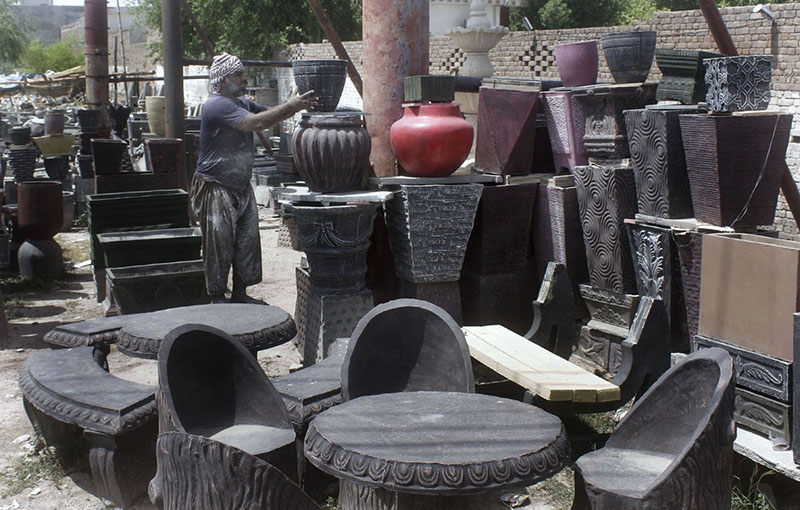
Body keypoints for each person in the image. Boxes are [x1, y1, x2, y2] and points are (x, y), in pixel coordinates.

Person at [192, 52, 317, 304]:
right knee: (220, 244)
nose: (245, 78)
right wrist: (292, 106)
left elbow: (269, 113)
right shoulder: (217, 105)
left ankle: (240, 294)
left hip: (239, 184)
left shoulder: (241, 103)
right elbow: (256, 123)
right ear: (224, 81)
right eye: (239, 74)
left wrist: (292, 104)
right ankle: (217, 297)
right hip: (216, 186)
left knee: (247, 241)